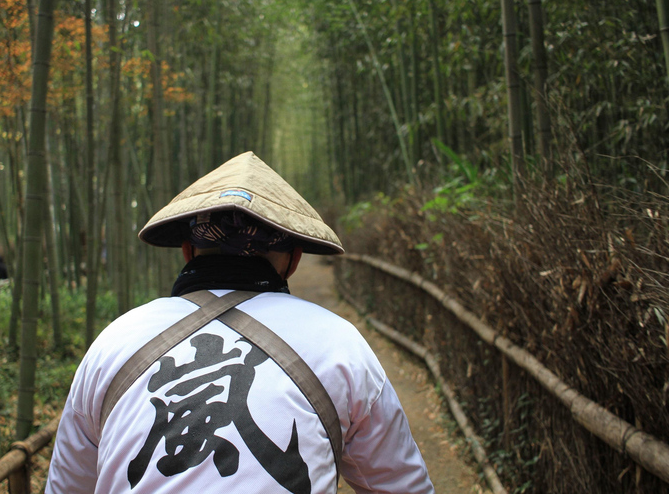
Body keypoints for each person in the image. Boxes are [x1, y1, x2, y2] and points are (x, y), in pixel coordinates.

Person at [46, 152, 434, 494]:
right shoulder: (339, 344)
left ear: (186, 251)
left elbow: (68, 486)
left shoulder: (113, 342)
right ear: (294, 259)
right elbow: (400, 485)